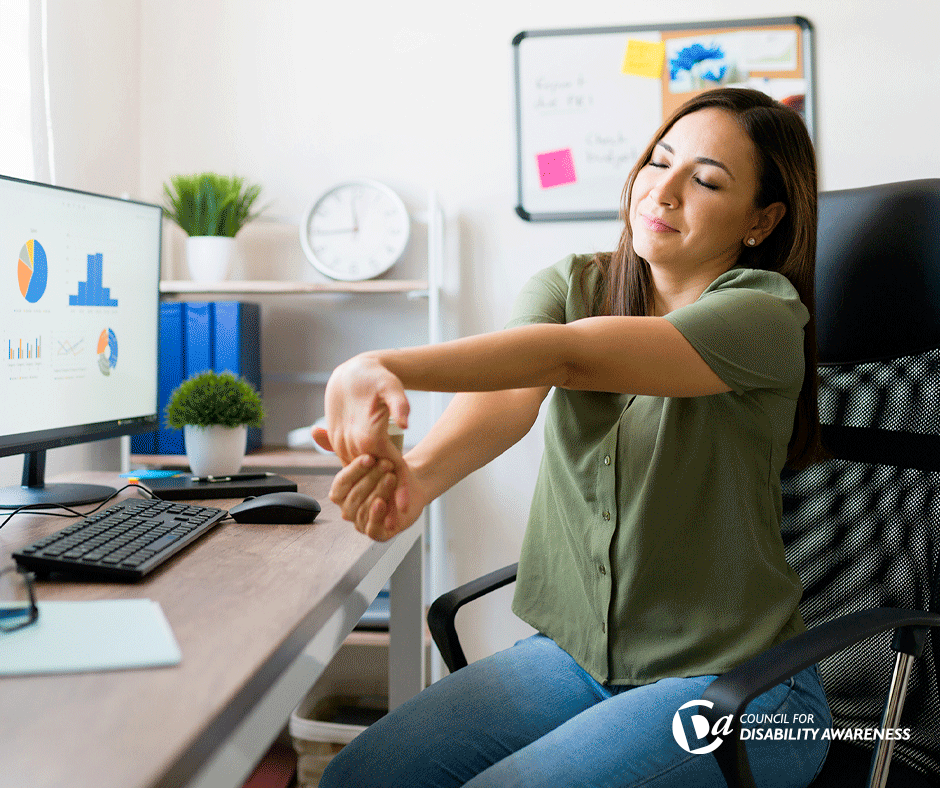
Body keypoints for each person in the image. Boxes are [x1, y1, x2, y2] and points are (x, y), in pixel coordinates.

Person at [313, 87, 832, 788]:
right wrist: (421, 476)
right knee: (358, 779)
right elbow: (503, 400)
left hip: (746, 689)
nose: (665, 190)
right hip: (578, 663)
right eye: (659, 161)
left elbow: (566, 355)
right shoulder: (573, 282)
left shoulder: (764, 315)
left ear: (761, 220)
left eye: (707, 180)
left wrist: (377, 364)